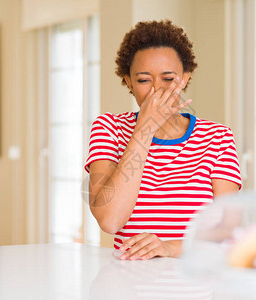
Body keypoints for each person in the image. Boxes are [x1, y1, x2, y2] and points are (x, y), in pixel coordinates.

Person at [84, 20, 241, 260]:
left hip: (196, 286)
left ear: (185, 79)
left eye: (168, 79)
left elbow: (229, 231)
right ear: (129, 82)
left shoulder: (218, 137)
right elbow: (110, 220)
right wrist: (145, 129)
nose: (157, 91)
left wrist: (168, 247)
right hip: (128, 285)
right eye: (144, 80)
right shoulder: (109, 128)